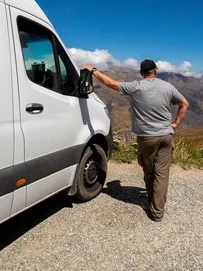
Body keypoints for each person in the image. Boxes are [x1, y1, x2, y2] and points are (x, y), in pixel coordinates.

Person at [81, 59, 189, 222]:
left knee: (148, 169)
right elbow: (184, 104)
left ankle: (151, 197)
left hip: (146, 137)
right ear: (156, 71)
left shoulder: (136, 87)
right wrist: (175, 124)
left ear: (141, 73)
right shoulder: (168, 87)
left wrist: (93, 70)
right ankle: (157, 212)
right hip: (166, 136)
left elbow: (110, 83)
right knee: (162, 173)